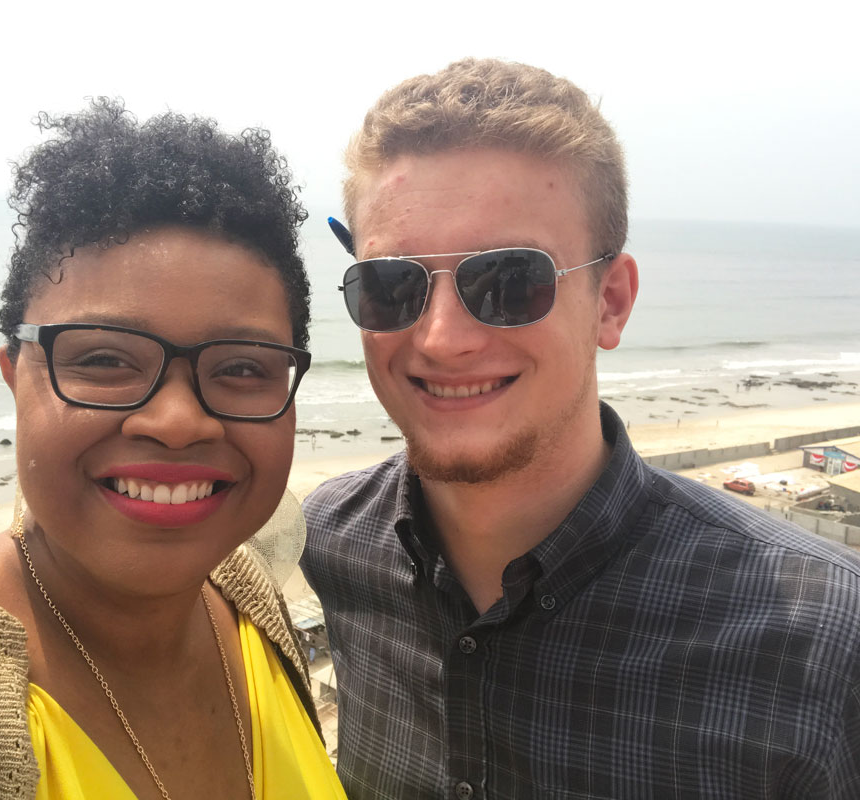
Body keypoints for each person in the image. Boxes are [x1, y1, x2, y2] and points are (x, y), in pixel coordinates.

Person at [302, 59, 860, 799]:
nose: (440, 339)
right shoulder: (331, 546)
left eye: (507, 281)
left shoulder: (819, 634)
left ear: (612, 302)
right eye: (390, 285)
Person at [0, 99, 346, 800]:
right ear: (16, 375)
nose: (176, 421)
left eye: (240, 367)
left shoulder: (248, 597)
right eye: (105, 359)